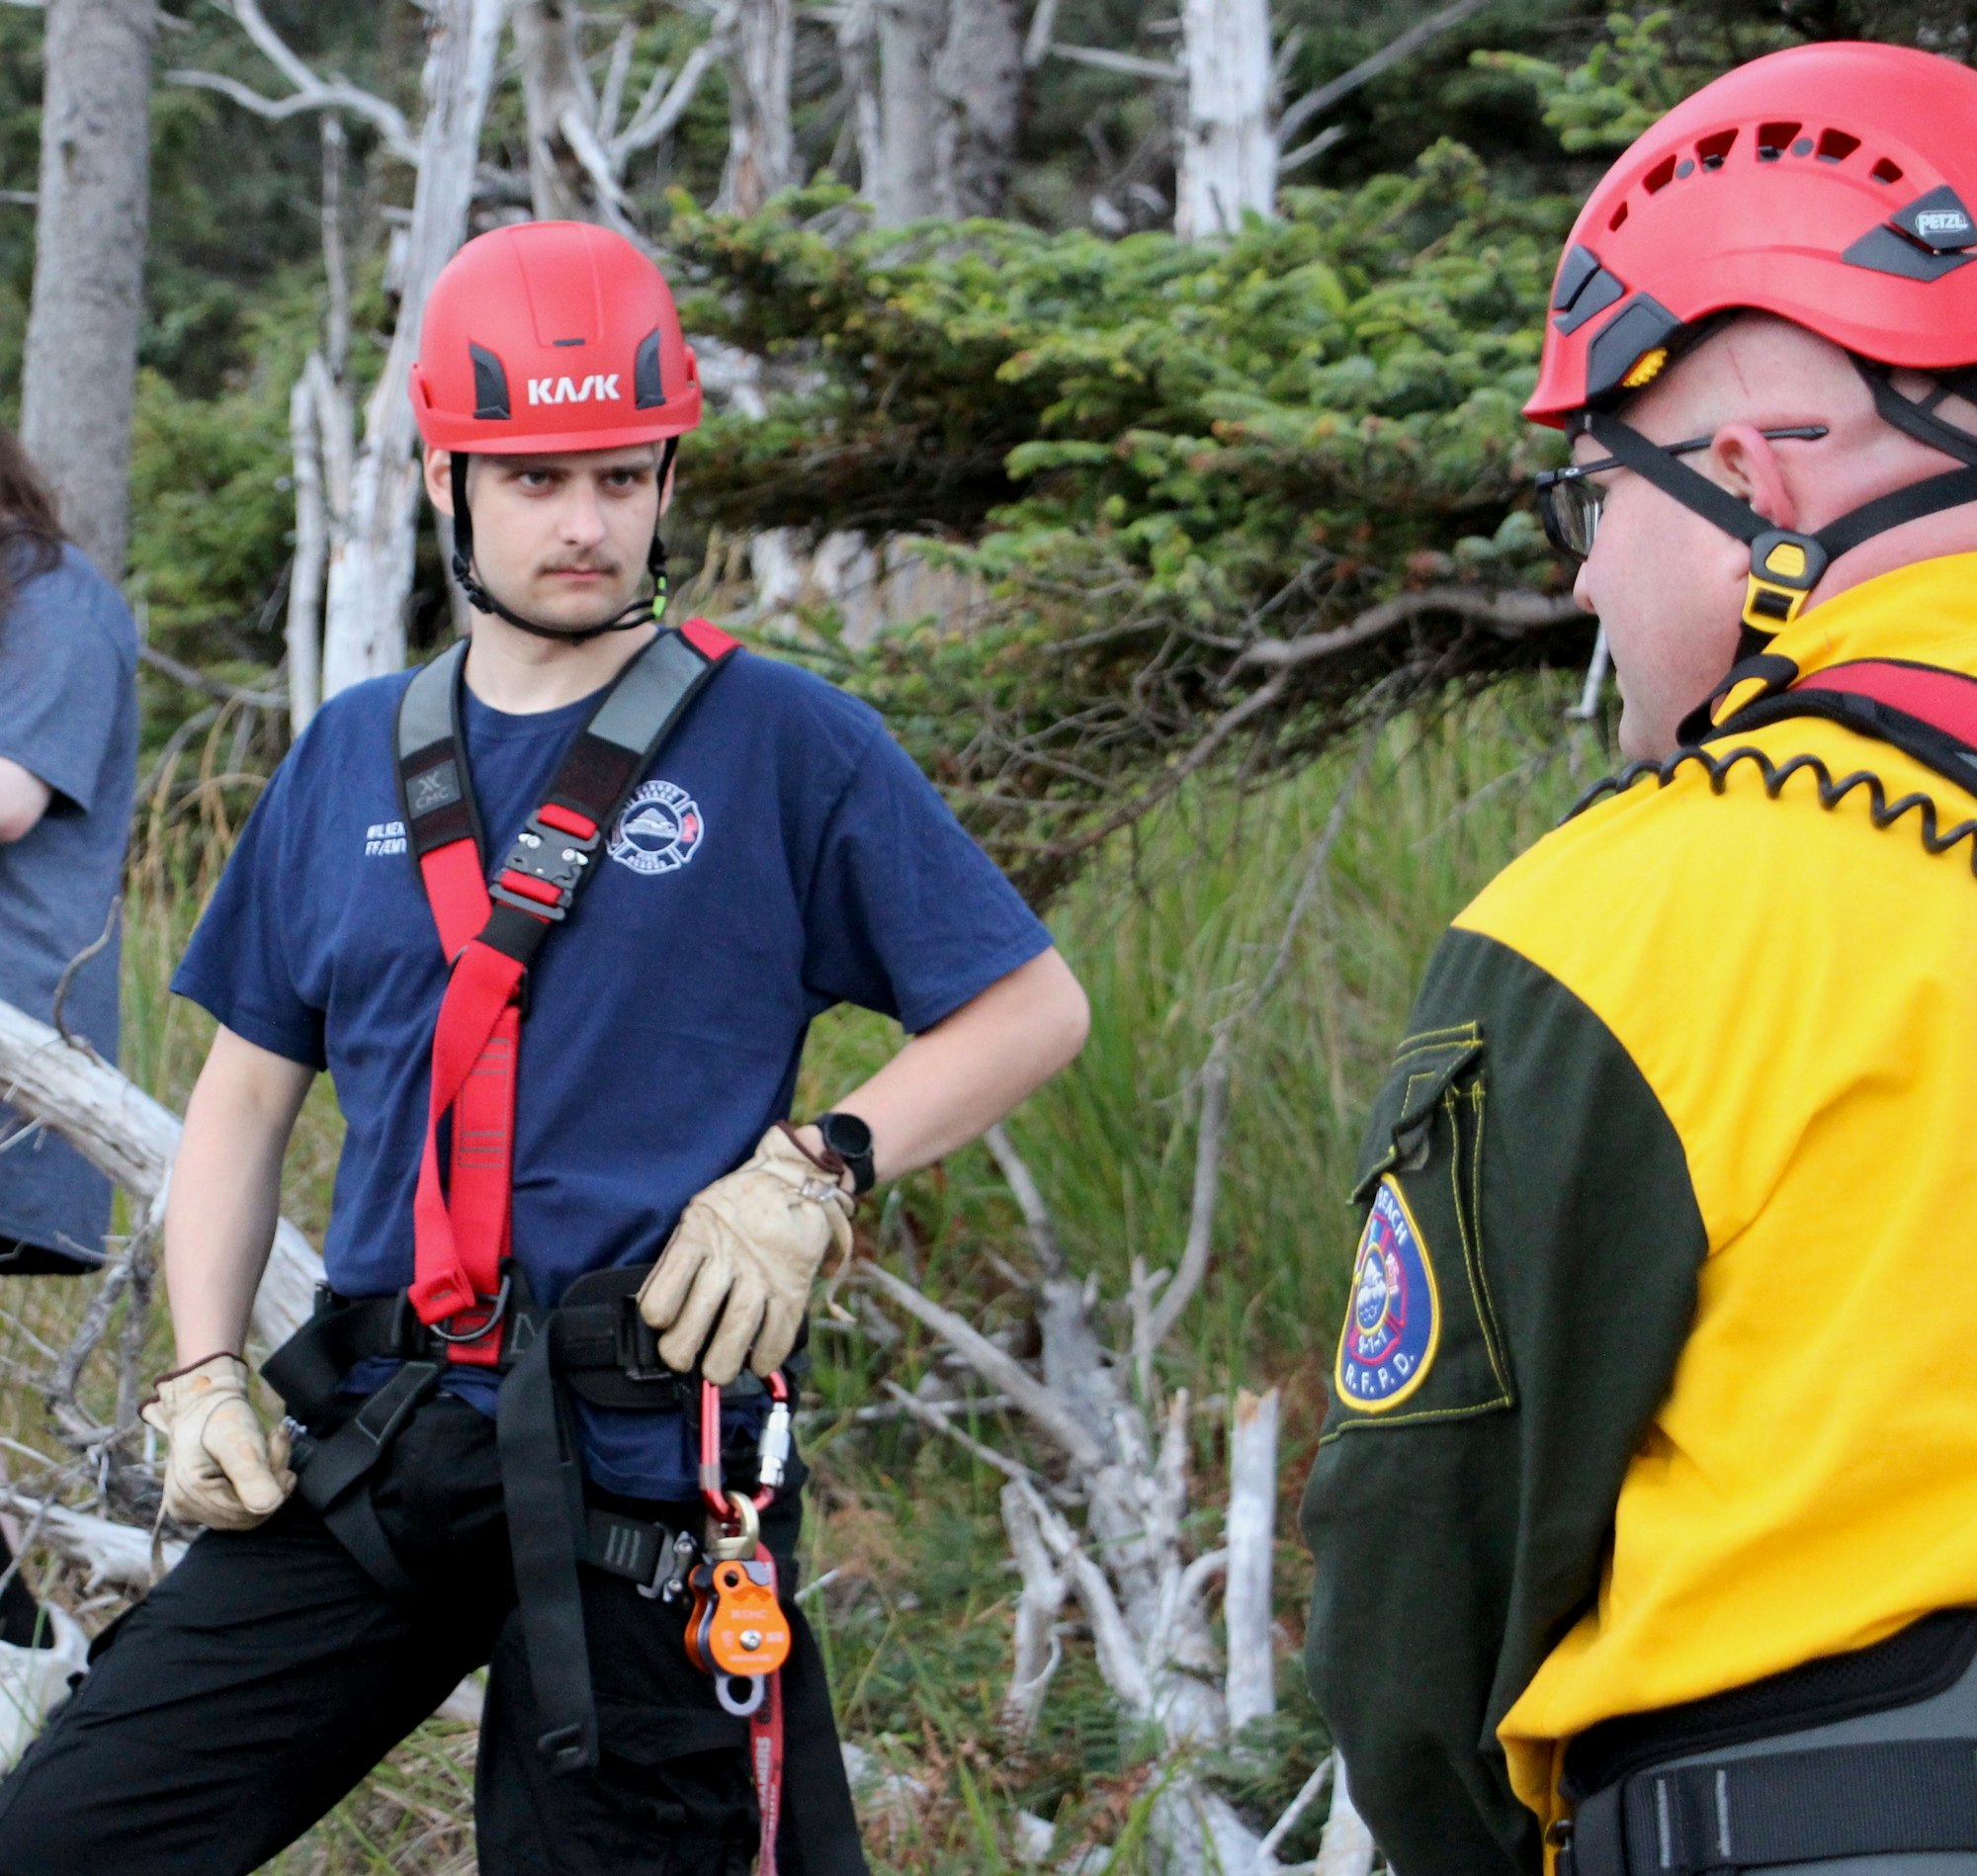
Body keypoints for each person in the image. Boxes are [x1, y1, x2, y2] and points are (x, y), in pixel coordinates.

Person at [0, 219, 1090, 1875]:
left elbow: (1032, 1004)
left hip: (651, 1468)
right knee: (67, 1836)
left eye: (622, 475)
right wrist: (201, 1363)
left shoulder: (786, 741)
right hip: (387, 1437)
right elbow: (239, 1096)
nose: (585, 523)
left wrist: (820, 1165)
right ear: (446, 474)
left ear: (667, 472)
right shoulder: (349, 755)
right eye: (533, 478)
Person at [1299, 40, 1977, 1876]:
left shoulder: (1622, 921)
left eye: (1594, 499)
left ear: (1755, 483)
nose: (1587, 581)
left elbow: (1420, 1573)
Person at [0, 423, 136, 1743]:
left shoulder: (56, 599)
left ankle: (29, 1649)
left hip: (18, 1054)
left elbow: (10, 797)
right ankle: (26, 1646)